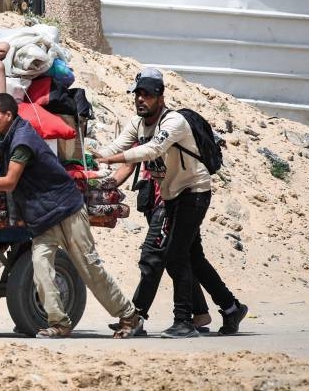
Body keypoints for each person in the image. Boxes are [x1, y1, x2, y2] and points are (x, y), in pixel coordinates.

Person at [0, 94, 144, 338]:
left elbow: (8, 182)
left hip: (65, 209)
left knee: (89, 266)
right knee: (41, 267)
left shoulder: (22, 141)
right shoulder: (4, 136)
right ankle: (59, 323)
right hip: (42, 216)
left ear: (8, 115)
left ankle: (130, 316)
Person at [94, 67, 248, 338]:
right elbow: (114, 148)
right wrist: (91, 155)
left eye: (147, 95)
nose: (141, 99)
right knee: (192, 256)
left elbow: (152, 149)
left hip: (194, 192)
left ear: (160, 97)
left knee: (174, 256)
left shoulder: (174, 122)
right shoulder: (138, 123)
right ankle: (231, 307)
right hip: (171, 195)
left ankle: (184, 321)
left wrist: (112, 160)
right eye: (137, 94)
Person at [107, 159, 213, 336]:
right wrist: (104, 186)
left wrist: (108, 160)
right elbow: (128, 163)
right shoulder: (143, 131)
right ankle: (214, 310)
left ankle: (137, 316)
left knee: (152, 257)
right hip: (156, 203)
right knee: (180, 258)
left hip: (170, 204)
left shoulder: (169, 132)